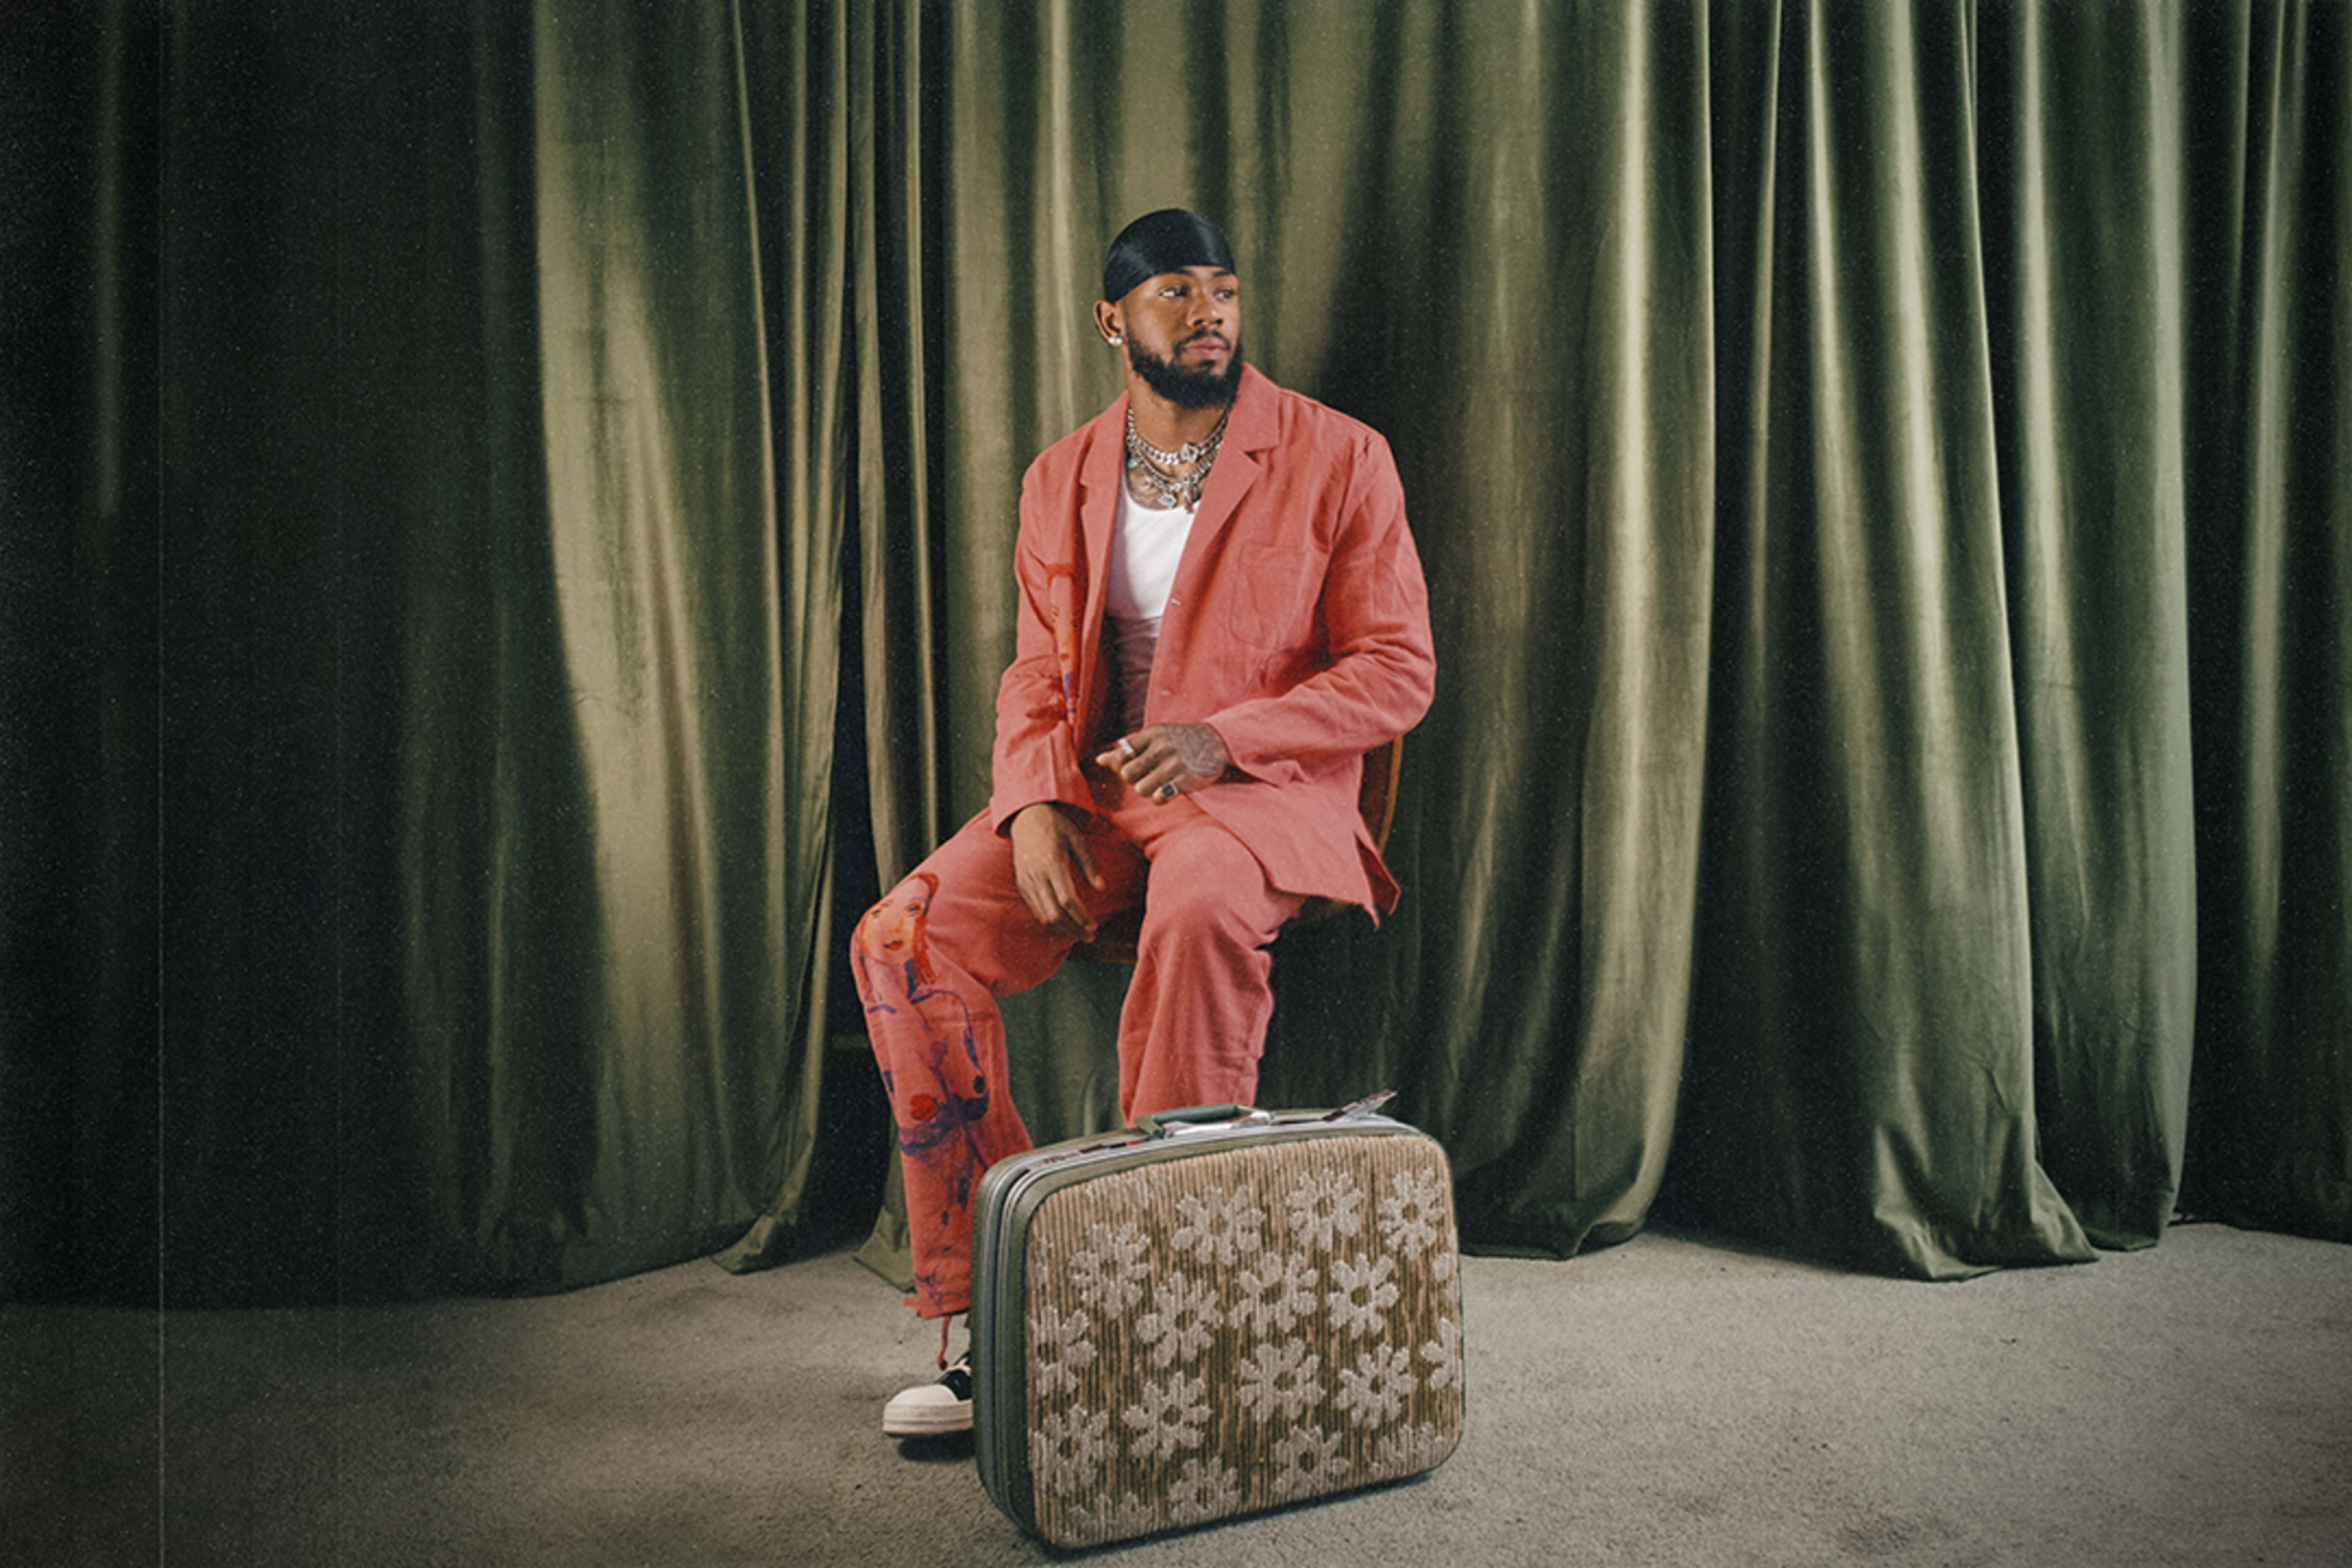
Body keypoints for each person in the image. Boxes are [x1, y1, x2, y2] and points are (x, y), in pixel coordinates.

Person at [855, 208, 1436, 1438]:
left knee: (1204, 910)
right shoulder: (1063, 472)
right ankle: (1006, 1308)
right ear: (1113, 319)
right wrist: (1028, 803)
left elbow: (1398, 668)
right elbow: (1035, 673)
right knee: (902, 934)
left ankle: (1170, 1314)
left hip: (1254, 797)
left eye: (1222, 289)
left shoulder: (1340, 456)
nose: (1210, 310)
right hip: (1097, 794)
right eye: (1176, 291)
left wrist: (1230, 736)